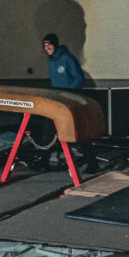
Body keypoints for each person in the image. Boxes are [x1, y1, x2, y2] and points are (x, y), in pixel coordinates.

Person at [30, 34, 96, 172]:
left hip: (68, 97)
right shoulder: (51, 60)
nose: (47, 48)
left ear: (55, 44)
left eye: (49, 45)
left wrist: (69, 93)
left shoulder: (67, 58)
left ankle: (92, 163)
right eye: (45, 46)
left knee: (77, 131)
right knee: (48, 132)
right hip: (56, 97)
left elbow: (79, 78)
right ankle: (44, 161)